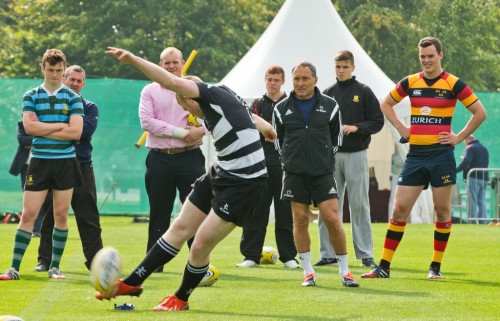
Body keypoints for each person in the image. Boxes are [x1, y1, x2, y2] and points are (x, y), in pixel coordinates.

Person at [99, 47, 277, 311]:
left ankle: (181, 298)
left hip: (246, 184)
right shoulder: (224, 97)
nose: (194, 117)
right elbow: (256, 121)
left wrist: (134, 59)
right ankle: (133, 282)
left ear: (191, 98)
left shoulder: (210, 94)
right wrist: (269, 130)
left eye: (187, 108)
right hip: (222, 172)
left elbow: (169, 81)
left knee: (201, 243)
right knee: (179, 227)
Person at [361, 37, 486, 280]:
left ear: (441, 55)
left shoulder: (454, 83)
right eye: (422, 56)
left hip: (442, 157)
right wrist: (401, 129)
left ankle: (435, 268)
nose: (426, 60)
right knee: (399, 210)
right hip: (416, 155)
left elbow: (480, 113)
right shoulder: (410, 82)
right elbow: (385, 104)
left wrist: (458, 137)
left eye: (430, 55)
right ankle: (383, 267)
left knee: (442, 212)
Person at [273, 61, 359, 288]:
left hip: (322, 172)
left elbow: (336, 140)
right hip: (294, 173)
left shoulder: (330, 106)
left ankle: (345, 271)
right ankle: (308, 271)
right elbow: (278, 142)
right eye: (297, 79)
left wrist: (321, 160)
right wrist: (293, 161)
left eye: (305, 79)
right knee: (300, 219)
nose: (301, 84)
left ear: (315, 80)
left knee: (331, 218)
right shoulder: (280, 108)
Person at [0, 48, 84, 281]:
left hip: (65, 162)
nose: (55, 74)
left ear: (64, 70)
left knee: (61, 215)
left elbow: (76, 132)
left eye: (59, 70)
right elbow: (29, 129)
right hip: (38, 162)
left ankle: (55, 267)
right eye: (51, 70)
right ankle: (13, 268)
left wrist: (44, 129)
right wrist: (60, 127)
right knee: (28, 214)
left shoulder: (73, 97)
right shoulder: (31, 95)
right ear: (42, 69)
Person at [139, 47, 207, 272]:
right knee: (159, 212)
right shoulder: (149, 90)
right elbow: (147, 122)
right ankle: (154, 264)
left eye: (174, 62)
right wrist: (180, 133)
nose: (171, 66)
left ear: (183, 63)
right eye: (166, 63)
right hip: (160, 160)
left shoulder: (195, 87)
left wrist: (202, 130)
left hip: (191, 159)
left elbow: (214, 115)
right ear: (160, 65)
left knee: (196, 212)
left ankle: (198, 263)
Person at [315, 50, 383, 268]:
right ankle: (328, 254)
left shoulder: (363, 91)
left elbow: (377, 121)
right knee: (328, 205)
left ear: (353, 67)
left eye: (345, 67)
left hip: (356, 154)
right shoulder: (326, 94)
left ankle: (365, 254)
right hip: (331, 157)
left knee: (359, 205)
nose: (341, 70)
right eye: (337, 67)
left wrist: (357, 127)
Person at [33, 65, 104, 272]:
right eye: (71, 79)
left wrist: (50, 129)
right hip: (55, 163)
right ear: (63, 79)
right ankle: (44, 261)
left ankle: (96, 262)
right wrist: (69, 129)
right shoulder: (50, 104)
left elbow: (83, 132)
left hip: (81, 165)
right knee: (50, 216)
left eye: (78, 81)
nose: (74, 83)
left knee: (88, 216)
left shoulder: (90, 107)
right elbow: (33, 130)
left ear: (83, 84)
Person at [236, 65, 299, 269]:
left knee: (285, 212)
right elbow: (249, 128)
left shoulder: (291, 104)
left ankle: (289, 256)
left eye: (276, 80)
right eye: (269, 79)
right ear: (265, 80)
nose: (272, 83)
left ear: (283, 82)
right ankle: (251, 256)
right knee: (256, 211)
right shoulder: (257, 104)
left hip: (285, 166)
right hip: (260, 165)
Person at [8, 120, 47, 237]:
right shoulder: (21, 124)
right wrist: (41, 140)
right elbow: (22, 140)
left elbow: (29, 141)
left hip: (42, 166)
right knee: (28, 199)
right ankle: (29, 228)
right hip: (26, 168)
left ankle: (38, 229)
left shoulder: (46, 122)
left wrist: (32, 141)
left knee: (42, 199)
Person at [456, 135, 489, 224]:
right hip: (484, 178)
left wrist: (455, 170)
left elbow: (466, 162)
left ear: (466, 140)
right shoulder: (484, 148)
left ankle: (472, 221)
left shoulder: (470, 148)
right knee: (481, 201)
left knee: (472, 200)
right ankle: (483, 221)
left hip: (474, 177)